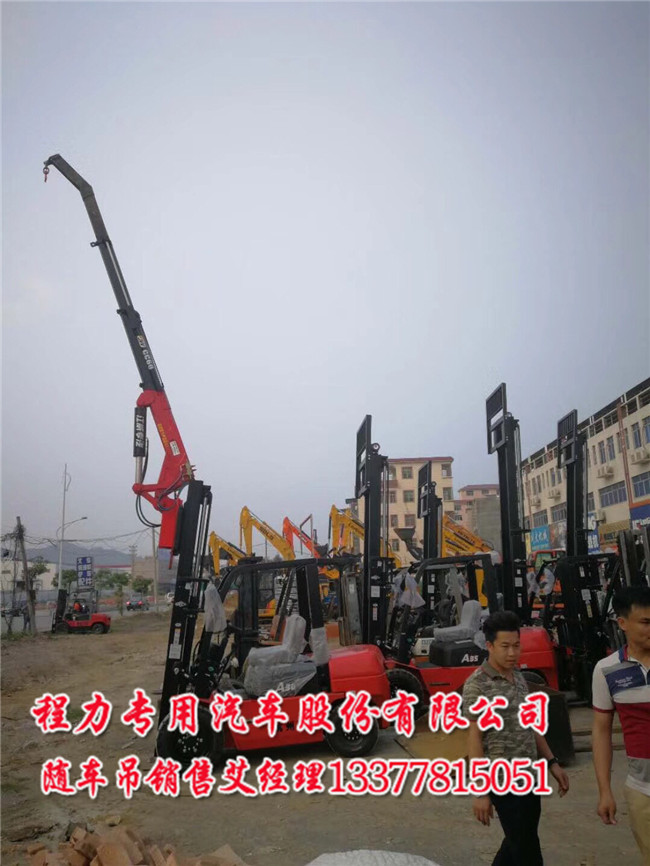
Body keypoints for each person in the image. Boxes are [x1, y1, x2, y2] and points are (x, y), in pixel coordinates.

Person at [463, 610, 570, 865]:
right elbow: (474, 739)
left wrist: (552, 762)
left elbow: (531, 725)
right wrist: (480, 791)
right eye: (505, 647)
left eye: (516, 645)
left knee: (520, 841)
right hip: (502, 781)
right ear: (489, 646)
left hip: (529, 776)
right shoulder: (477, 684)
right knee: (527, 851)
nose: (512, 653)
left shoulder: (519, 678)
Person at [591, 585, 650, 864]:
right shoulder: (607, 670)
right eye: (646, 622)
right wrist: (605, 791)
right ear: (623, 623)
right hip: (643, 791)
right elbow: (601, 731)